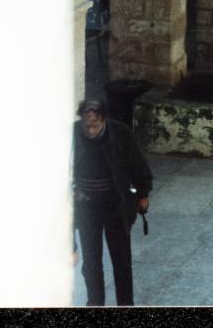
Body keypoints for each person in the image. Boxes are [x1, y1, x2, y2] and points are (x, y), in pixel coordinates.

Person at [71, 97, 153, 307]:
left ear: (104, 120)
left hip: (115, 205)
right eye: (86, 125)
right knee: (91, 264)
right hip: (87, 208)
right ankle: (95, 304)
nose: (90, 131)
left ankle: (125, 305)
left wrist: (142, 195)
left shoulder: (121, 132)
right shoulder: (71, 134)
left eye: (95, 125)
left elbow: (137, 165)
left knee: (122, 262)